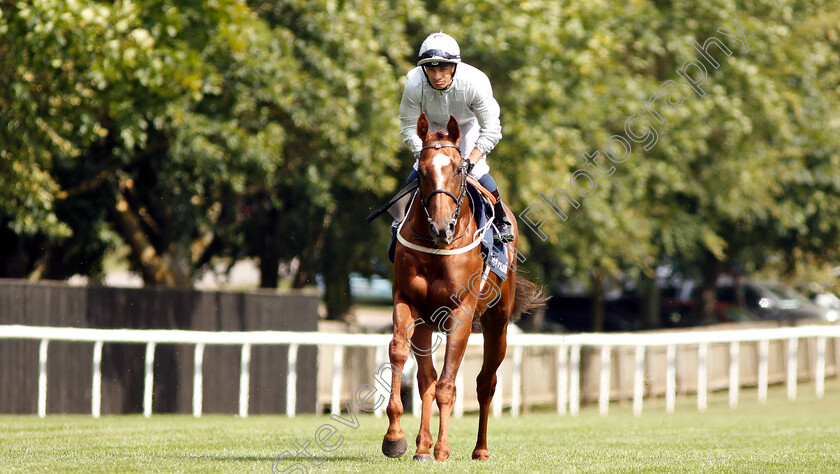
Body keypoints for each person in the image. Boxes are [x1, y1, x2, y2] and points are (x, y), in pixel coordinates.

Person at [399, 32, 513, 243]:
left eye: (443, 68)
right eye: (431, 69)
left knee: (478, 171)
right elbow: (407, 125)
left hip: (467, 127)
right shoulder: (414, 81)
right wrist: (423, 153)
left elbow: (492, 129)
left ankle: (501, 220)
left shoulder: (475, 81)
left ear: (454, 67)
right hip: (432, 131)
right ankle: (400, 218)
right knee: (421, 170)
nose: (436, 76)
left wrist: (470, 160)